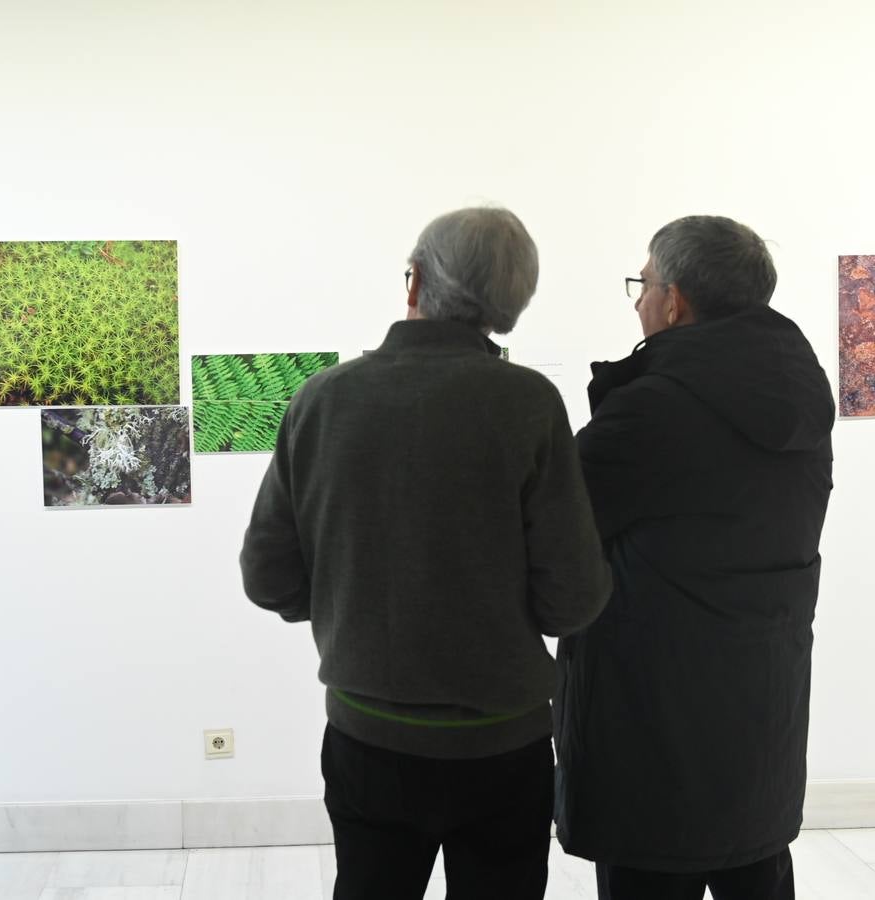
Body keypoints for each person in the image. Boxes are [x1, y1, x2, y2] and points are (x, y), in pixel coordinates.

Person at [240, 207, 612, 900]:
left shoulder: (322, 398)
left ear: (412, 281)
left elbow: (268, 577)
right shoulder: (527, 403)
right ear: (511, 305)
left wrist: (343, 605)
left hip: (367, 728)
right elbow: (572, 598)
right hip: (503, 742)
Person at [555, 215, 835, 900]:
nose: (637, 299)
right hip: (761, 706)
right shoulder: (798, 390)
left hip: (653, 720)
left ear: (673, 299)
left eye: (643, 282)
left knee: (651, 872)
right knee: (753, 863)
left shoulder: (654, 409)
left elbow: (552, 525)